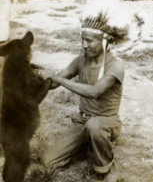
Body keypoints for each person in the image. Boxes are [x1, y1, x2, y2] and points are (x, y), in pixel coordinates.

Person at [43, 15, 125, 180]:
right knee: (48, 161)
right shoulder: (80, 61)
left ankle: (107, 168)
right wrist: (39, 76)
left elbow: (94, 91)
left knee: (94, 126)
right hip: (83, 121)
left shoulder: (115, 65)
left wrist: (58, 79)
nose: (84, 45)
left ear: (104, 42)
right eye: (82, 40)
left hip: (106, 122)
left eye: (89, 40)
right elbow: (52, 84)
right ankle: (88, 146)